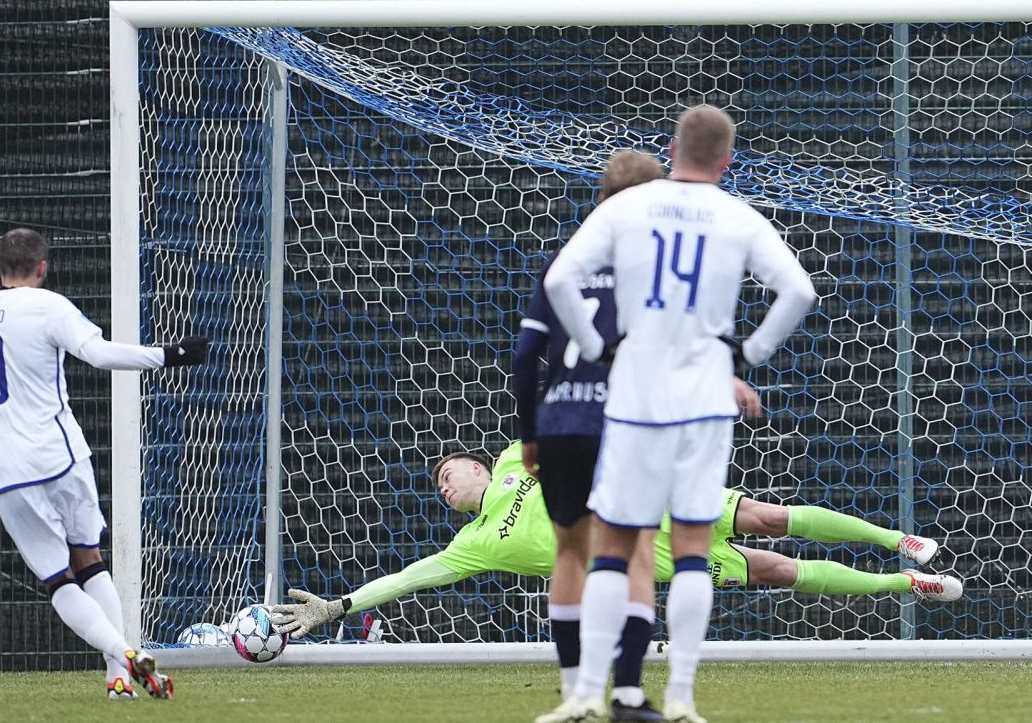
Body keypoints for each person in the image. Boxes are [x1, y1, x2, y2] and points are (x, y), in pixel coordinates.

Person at [541, 105, 819, 723]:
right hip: (702, 403)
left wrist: (598, 348)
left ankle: (587, 693)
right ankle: (685, 699)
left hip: (637, 397)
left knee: (612, 543)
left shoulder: (626, 208)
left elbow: (562, 280)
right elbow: (799, 289)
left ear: (672, 149)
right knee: (693, 548)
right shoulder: (737, 215)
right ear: (726, 161)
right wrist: (749, 352)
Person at [267, 441, 962, 656]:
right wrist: (341, 603)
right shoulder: (475, 545)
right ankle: (905, 584)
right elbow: (411, 576)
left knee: (768, 516)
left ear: (479, 466)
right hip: (645, 557)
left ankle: (894, 538)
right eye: (439, 488)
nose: (445, 486)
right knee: (779, 571)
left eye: (448, 472)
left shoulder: (515, 458)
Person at [0, 228, 209, 701]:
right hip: (61, 457)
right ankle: (122, 665)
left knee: (58, 581)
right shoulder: (49, 306)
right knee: (90, 562)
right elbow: (99, 353)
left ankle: (123, 667)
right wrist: (170, 355)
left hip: (7, 473)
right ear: (43, 268)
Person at [513, 149, 670, 722]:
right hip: (624, 423)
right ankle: (627, 693)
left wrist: (530, 433)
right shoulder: (661, 268)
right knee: (635, 553)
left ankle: (576, 693)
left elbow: (527, 355)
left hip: (560, 425)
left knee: (571, 552)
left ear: (600, 200)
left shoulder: (565, 264)